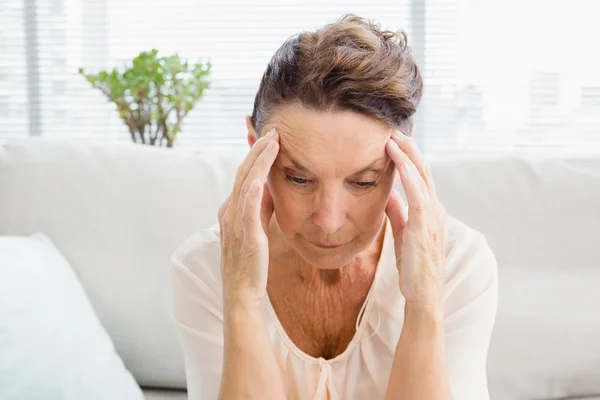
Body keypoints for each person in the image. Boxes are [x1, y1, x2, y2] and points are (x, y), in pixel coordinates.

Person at [169, 14, 498, 400]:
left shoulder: (458, 263)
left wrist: (424, 306)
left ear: (401, 162)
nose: (328, 221)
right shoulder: (205, 268)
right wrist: (241, 303)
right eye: (298, 178)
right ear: (253, 148)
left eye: (363, 182)